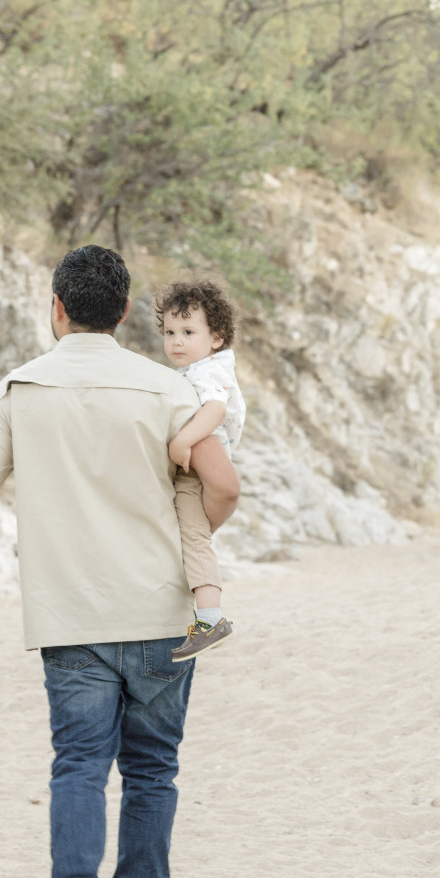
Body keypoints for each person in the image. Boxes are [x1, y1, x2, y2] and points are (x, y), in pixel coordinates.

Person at [0, 245, 237, 878]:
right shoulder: (167, 389)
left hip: (70, 617)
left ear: (56, 308)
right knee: (152, 766)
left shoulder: (20, 386)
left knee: (79, 765)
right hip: (159, 612)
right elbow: (223, 483)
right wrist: (189, 543)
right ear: (123, 311)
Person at [155, 279, 243, 660]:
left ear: (217, 337)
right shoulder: (199, 367)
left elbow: (215, 410)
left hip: (198, 469)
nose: (177, 341)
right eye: (170, 332)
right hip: (199, 463)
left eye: (189, 332)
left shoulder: (207, 372)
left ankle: (210, 619)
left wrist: (182, 441)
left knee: (193, 536)